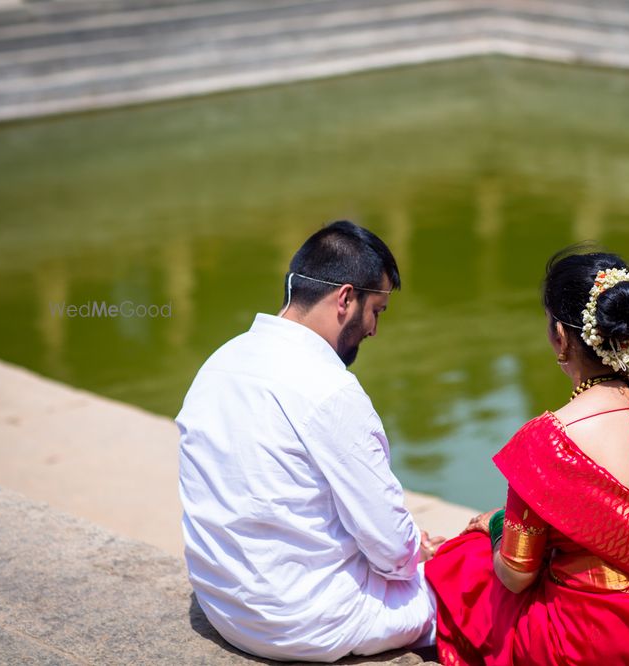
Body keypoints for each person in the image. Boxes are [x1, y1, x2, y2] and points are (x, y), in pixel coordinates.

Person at [425, 248, 629, 665]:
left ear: (559, 335)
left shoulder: (550, 441)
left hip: (596, 644)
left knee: (461, 561)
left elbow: (517, 576)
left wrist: (497, 524)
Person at [177, 220, 443, 662]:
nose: (374, 330)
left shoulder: (219, 363)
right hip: (306, 619)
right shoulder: (328, 389)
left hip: (225, 605)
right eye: (377, 311)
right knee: (473, 584)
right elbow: (392, 548)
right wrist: (418, 547)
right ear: (345, 298)